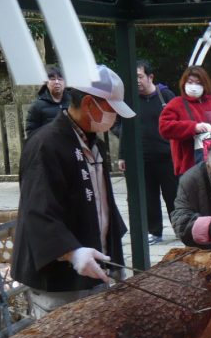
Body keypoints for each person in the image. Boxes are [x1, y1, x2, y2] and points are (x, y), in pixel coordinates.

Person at [12, 64, 135, 319]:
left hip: (94, 265)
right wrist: (72, 252)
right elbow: (37, 211)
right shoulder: (45, 144)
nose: (114, 118)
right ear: (90, 104)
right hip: (59, 278)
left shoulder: (93, 142)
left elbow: (102, 204)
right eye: (111, 110)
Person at [118, 60, 177, 245]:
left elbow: (178, 122)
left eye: (140, 76)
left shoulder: (165, 95)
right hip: (142, 157)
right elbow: (124, 129)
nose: (137, 81)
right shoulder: (130, 99)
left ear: (150, 77)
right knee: (148, 197)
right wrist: (122, 155)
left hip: (167, 156)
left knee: (173, 195)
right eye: (133, 77)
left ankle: (180, 228)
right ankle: (154, 231)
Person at [158, 66, 211, 177]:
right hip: (188, 166)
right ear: (184, 83)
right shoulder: (176, 104)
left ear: (205, 84)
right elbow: (164, 127)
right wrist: (193, 127)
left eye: (198, 83)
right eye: (190, 82)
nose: (194, 86)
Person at [24, 65, 70, 138]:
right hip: (48, 146)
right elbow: (31, 132)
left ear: (65, 83)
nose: (57, 82)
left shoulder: (73, 102)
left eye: (60, 79)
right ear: (46, 83)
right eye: (52, 79)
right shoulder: (37, 106)